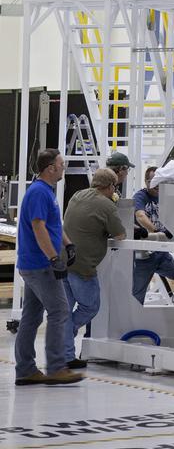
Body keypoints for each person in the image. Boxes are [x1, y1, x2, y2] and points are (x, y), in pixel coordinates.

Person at [14, 149, 83, 386]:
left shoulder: (46, 192)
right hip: (40, 265)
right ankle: (56, 367)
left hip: (35, 264)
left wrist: (68, 243)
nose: (64, 168)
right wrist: (54, 258)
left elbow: (53, 224)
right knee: (60, 311)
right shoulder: (39, 192)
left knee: (31, 318)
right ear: (51, 168)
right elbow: (38, 227)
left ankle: (25, 370)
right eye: (61, 164)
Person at [62, 167, 126, 367]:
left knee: (64, 310)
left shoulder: (77, 195)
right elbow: (120, 235)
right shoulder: (106, 205)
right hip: (83, 266)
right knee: (90, 307)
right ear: (110, 186)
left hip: (63, 261)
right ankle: (66, 333)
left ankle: (64, 355)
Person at [132, 165, 174, 307]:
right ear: (147, 182)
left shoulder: (166, 197)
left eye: (161, 181)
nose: (158, 185)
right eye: (154, 181)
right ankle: (131, 320)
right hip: (144, 255)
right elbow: (140, 216)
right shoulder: (140, 196)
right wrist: (157, 232)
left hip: (162, 253)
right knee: (137, 293)